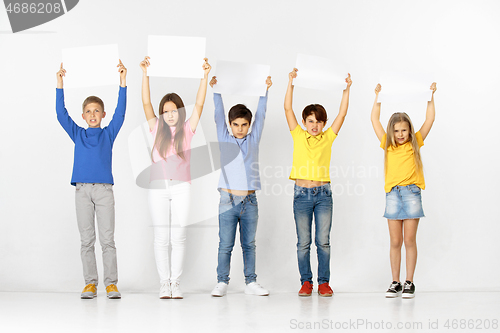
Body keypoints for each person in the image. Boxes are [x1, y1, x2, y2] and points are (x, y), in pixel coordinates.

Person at [140, 56, 211, 299]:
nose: (170, 115)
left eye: (174, 111)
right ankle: (164, 283)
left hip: (182, 188)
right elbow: (146, 101)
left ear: (181, 112)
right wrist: (145, 74)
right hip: (158, 188)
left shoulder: (187, 129)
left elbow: (200, 104)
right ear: (162, 114)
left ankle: (175, 283)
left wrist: (204, 77)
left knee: (178, 237)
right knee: (161, 238)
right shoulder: (156, 129)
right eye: (166, 112)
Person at [55, 61, 127, 299]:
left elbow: (121, 112)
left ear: (103, 114)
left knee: (107, 240)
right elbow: (60, 114)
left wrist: (122, 82)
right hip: (83, 191)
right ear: (83, 115)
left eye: (97, 111)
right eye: (89, 111)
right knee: (87, 240)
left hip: (104, 191)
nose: (93, 114)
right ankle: (90, 283)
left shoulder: (108, 133)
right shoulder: (78, 134)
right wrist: (60, 83)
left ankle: (111, 284)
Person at [284, 68, 352, 297]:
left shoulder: (328, 137)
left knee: (323, 241)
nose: (314, 125)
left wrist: (347, 89)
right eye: (310, 121)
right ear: (304, 122)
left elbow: (342, 114)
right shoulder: (298, 134)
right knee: (303, 242)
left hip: (323, 195)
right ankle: (306, 282)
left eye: (319, 121)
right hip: (301, 194)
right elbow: (287, 108)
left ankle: (324, 282)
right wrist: (291, 83)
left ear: (324, 123)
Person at [370, 82, 437, 298]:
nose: (400, 134)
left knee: (409, 240)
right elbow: (374, 119)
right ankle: (395, 281)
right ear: (392, 131)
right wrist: (377, 97)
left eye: (404, 130)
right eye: (397, 131)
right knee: (395, 241)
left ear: (409, 130)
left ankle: (409, 282)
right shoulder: (387, 144)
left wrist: (430, 96)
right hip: (392, 195)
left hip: (411, 194)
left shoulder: (415, 142)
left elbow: (430, 120)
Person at [209, 75, 272, 297]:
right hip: (227, 201)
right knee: (225, 244)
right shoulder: (225, 138)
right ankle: (221, 281)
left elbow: (261, 115)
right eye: (235, 124)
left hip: (250, 201)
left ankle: (251, 282)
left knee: (249, 244)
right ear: (230, 125)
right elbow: (218, 115)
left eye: (244, 124)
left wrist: (265, 91)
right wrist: (216, 89)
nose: (240, 128)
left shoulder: (253, 140)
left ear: (248, 125)